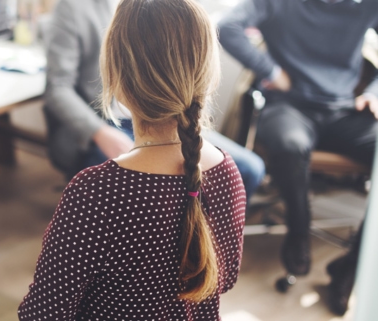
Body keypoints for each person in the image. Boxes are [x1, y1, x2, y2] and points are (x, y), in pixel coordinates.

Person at [19, 0, 246, 319]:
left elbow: (43, 314)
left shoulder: (95, 192)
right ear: (210, 75)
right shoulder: (228, 172)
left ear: (116, 78)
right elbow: (227, 279)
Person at [218, 0, 378, 314]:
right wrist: (271, 71)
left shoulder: (366, 6)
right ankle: (298, 230)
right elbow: (227, 27)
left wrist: (374, 93)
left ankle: (348, 269)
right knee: (290, 146)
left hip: (343, 110)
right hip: (288, 107)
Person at [43, 0, 265, 199]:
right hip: (107, 123)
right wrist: (99, 132)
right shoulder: (73, 8)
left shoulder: (171, 7)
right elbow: (58, 88)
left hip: (173, 115)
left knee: (250, 169)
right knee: (128, 186)